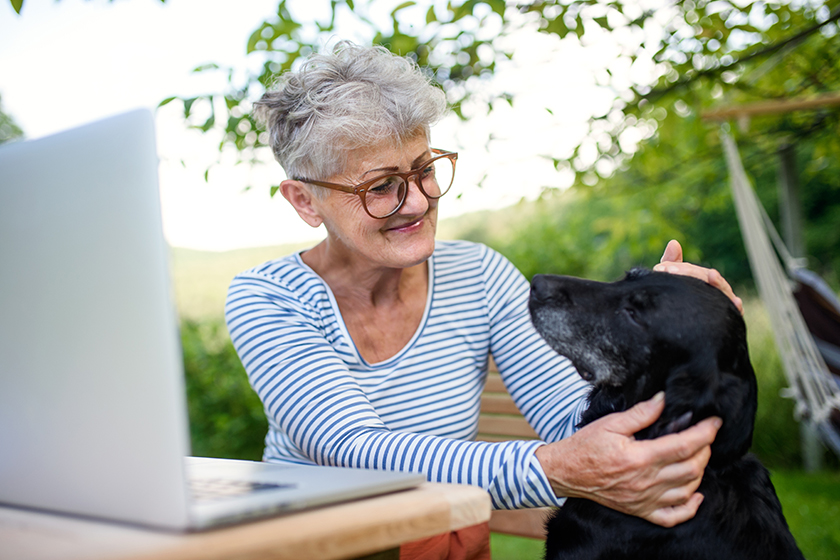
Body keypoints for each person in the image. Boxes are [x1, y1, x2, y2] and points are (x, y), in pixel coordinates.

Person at [225, 41, 741, 559]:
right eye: (380, 187)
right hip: (315, 546)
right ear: (305, 201)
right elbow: (352, 449)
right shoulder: (267, 298)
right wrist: (555, 469)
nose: (420, 202)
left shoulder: (477, 273)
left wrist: (694, 333)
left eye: (425, 169)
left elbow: (573, 420)